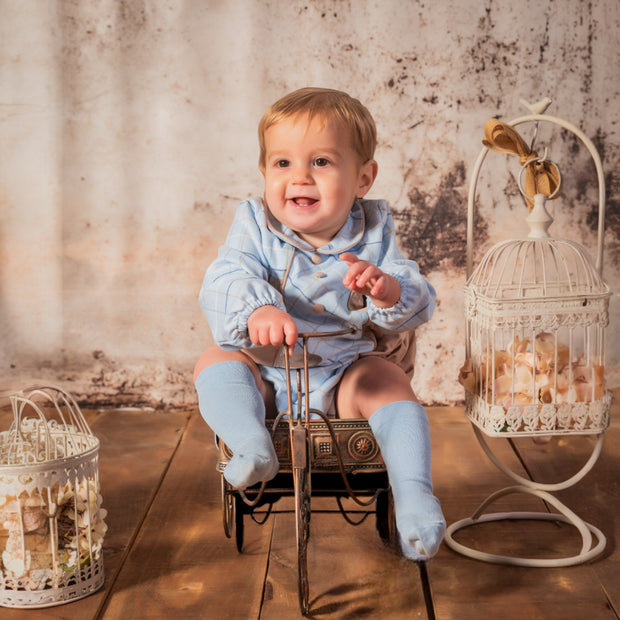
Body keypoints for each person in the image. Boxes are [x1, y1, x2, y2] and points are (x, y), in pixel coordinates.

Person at [194, 87, 445, 560]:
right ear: (265, 172)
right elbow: (227, 275)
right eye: (283, 163)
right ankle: (252, 444)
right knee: (216, 359)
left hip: (342, 370)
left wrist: (388, 289)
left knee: (387, 380)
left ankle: (414, 494)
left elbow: (417, 296)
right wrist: (258, 310)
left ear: (363, 177)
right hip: (267, 371)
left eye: (322, 162)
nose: (300, 177)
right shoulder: (253, 222)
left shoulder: (374, 229)